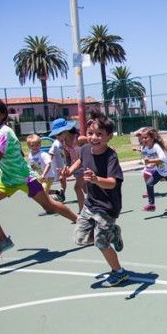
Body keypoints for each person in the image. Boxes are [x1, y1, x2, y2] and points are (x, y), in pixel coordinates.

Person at [0, 96, 78, 257]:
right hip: (8, 179)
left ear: (3, 114)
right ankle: (3, 240)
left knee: (50, 206)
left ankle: (81, 221)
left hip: (25, 178)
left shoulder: (5, 132)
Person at [63, 111, 127, 288]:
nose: (94, 137)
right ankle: (113, 234)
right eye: (91, 133)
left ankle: (119, 273)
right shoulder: (84, 149)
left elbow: (113, 183)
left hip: (107, 207)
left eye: (99, 134)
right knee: (80, 239)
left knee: (100, 242)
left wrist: (96, 179)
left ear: (108, 136)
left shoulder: (111, 157)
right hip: (91, 203)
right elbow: (80, 161)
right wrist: (69, 171)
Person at [49, 118, 88, 212]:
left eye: (59, 134)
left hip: (86, 166)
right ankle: (101, 203)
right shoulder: (63, 143)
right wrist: (67, 167)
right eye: (55, 135)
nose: (57, 137)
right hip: (76, 168)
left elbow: (95, 143)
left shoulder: (79, 138)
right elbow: (68, 156)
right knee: (86, 189)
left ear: (66, 130)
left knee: (77, 187)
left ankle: (81, 212)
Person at [26, 134, 60, 215]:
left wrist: (44, 174)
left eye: (37, 145)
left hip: (47, 177)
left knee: (44, 193)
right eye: (32, 145)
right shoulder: (30, 154)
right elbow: (31, 165)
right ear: (29, 146)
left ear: (40, 144)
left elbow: (48, 164)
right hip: (38, 177)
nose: (35, 147)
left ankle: (52, 208)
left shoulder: (43, 154)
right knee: (40, 193)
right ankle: (58, 192)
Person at [47, 135, 67, 202]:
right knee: (46, 186)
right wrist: (49, 163)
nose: (58, 136)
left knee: (62, 179)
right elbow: (50, 153)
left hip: (64, 166)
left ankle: (62, 193)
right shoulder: (55, 144)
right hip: (55, 167)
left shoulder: (66, 142)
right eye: (57, 135)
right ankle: (57, 192)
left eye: (60, 134)